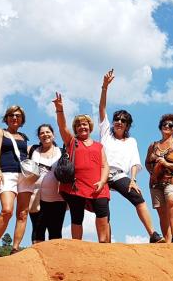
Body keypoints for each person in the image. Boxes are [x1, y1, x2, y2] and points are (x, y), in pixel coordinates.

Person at [98, 69, 164, 243]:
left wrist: (133, 180)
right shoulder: (106, 133)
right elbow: (102, 108)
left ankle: (153, 234)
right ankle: (105, 242)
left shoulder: (131, 141)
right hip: (101, 174)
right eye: (117, 119)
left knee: (138, 198)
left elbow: (135, 162)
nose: (119, 122)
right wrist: (105, 87)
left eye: (123, 120)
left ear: (128, 125)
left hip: (119, 174)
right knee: (102, 207)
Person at [52, 92, 111, 243]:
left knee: (102, 214)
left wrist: (103, 182)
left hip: (98, 186)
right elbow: (62, 126)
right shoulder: (71, 141)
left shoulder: (99, 146)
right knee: (77, 217)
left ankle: (103, 244)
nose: (81, 127)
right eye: (78, 125)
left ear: (90, 127)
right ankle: (77, 245)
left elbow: (105, 165)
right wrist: (60, 110)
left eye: (84, 124)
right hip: (76, 186)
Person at [0, 106, 33, 257]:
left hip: (25, 176)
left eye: (18, 115)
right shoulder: (0, 131)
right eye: (11, 115)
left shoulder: (24, 137)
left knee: (23, 213)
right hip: (7, 172)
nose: (14, 118)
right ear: (6, 118)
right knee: (7, 210)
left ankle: (15, 248)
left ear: (22, 119)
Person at [145, 114, 173, 243]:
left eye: (170, 125)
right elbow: (147, 163)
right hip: (155, 182)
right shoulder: (153, 145)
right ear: (160, 127)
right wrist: (153, 172)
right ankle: (168, 242)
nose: (167, 126)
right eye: (164, 124)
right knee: (161, 212)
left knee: (172, 201)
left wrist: (167, 164)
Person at [28, 124, 66, 242]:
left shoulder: (62, 152)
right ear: (39, 137)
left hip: (58, 198)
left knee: (55, 232)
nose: (45, 135)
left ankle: (54, 260)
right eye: (42, 133)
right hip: (36, 197)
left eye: (48, 132)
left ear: (53, 135)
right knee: (38, 230)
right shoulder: (33, 150)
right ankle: (37, 259)